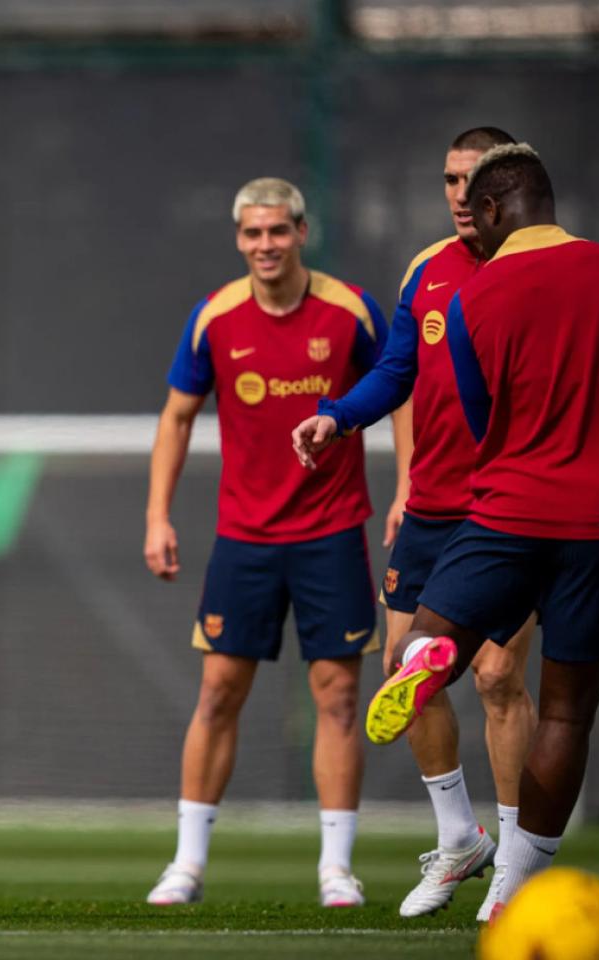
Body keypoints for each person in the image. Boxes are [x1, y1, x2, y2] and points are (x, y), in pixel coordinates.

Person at [360, 144, 599, 918]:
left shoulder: (470, 300)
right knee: (564, 712)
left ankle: (439, 646)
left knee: (432, 636)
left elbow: (476, 415)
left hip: (503, 511)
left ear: (494, 210)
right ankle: (515, 884)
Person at [290, 127, 536, 919]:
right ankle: (460, 839)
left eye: (476, 181)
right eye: (449, 180)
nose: (462, 195)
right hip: (432, 506)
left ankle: (519, 860)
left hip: (511, 508)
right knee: (408, 671)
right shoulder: (427, 270)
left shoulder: (541, 270)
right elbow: (396, 371)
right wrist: (336, 416)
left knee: (497, 677)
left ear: (510, 187)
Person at [142, 177, 388, 909]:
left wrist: (408, 490)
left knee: (340, 696)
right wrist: (157, 516)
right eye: (252, 234)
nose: (265, 246)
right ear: (239, 239)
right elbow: (177, 417)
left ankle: (336, 868)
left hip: (333, 532)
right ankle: (185, 865)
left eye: (277, 231)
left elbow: (399, 391)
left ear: (301, 232)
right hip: (244, 537)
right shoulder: (214, 318)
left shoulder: (351, 313)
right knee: (219, 692)